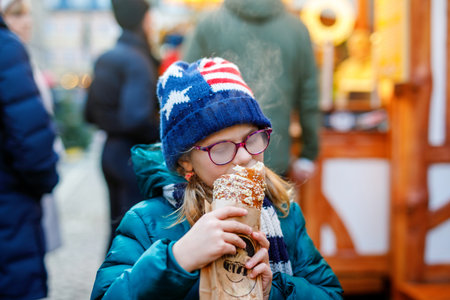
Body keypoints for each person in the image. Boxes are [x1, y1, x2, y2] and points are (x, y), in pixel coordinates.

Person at [91, 58, 342, 299]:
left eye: (252, 138)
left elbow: (330, 293)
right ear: (185, 161)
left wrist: (273, 291)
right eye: (222, 148)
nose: (244, 156)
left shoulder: (285, 216)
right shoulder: (148, 223)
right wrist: (177, 259)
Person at [182, 0, 320, 183]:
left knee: (219, 211)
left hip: (220, 158)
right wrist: (308, 154)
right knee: (274, 210)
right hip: (274, 154)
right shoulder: (296, 28)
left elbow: (187, 91)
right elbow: (309, 97)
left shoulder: (209, 23)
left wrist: (185, 157)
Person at [85, 0, 160, 248]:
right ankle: (125, 286)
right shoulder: (137, 60)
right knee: (132, 238)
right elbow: (136, 117)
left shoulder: (107, 57)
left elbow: (88, 113)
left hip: (110, 152)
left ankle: (109, 284)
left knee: (115, 232)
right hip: (133, 157)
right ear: (144, 19)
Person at [0, 3, 59, 299]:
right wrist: (45, 178)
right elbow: (31, 139)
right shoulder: (7, 50)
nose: (26, 22)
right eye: (16, 13)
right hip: (9, 205)